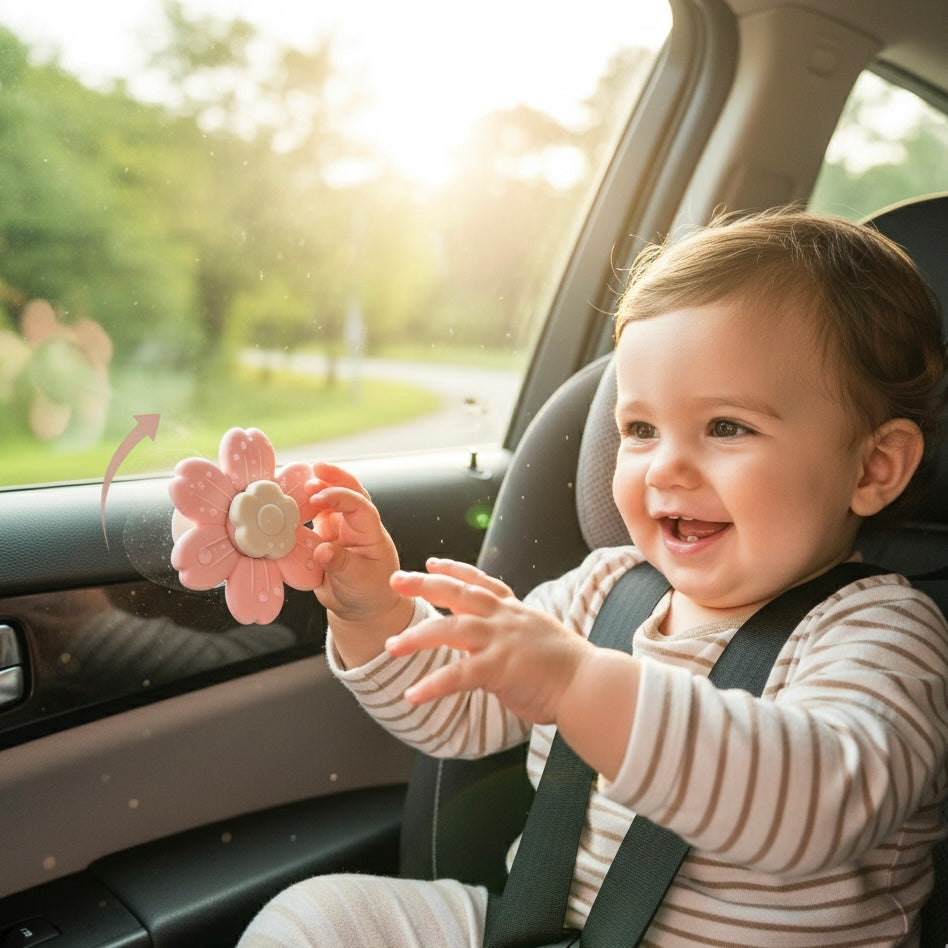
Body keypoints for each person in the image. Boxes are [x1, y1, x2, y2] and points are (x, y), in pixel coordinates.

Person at [238, 210, 948, 947]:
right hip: (545, 927)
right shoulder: (603, 588)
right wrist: (373, 613)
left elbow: (818, 808)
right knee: (318, 918)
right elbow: (456, 711)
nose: (665, 467)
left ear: (873, 468)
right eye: (640, 430)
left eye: (727, 427)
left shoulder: (881, 631)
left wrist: (579, 687)